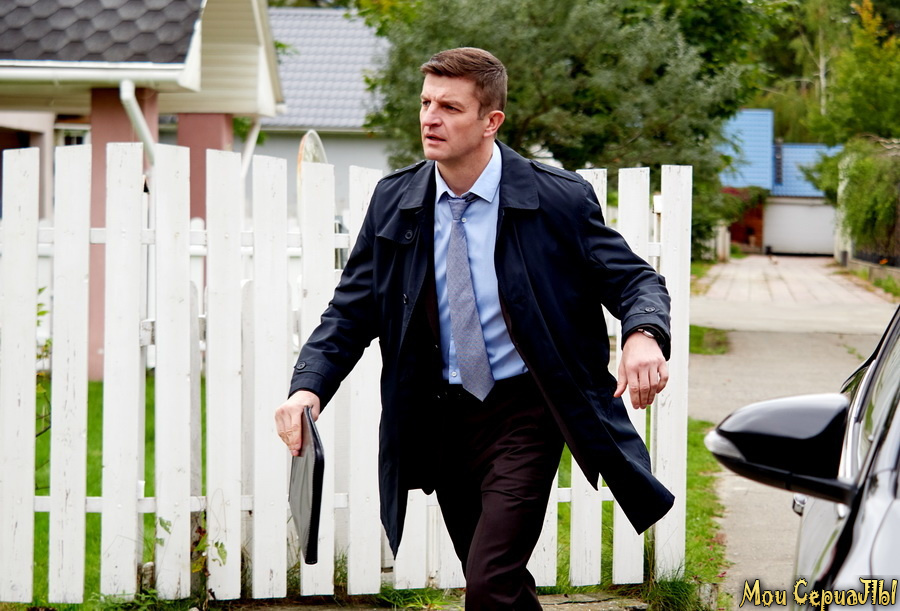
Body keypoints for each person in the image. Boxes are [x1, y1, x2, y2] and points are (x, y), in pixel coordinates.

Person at [275, 47, 674, 609]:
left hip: (525, 414)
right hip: (441, 419)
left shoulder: (557, 200)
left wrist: (642, 335)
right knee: (496, 582)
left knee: (488, 579)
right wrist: (307, 387)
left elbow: (635, 280)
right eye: (426, 103)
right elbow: (351, 310)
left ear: (491, 121)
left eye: (450, 107)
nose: (430, 118)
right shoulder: (395, 200)